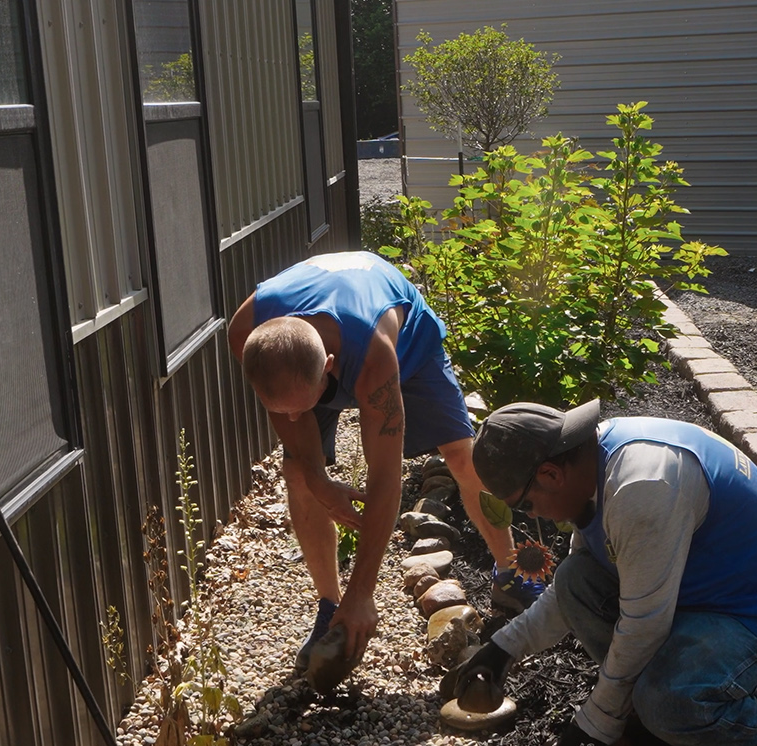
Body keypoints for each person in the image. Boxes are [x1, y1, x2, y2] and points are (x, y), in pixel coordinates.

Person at [447, 399, 757, 746]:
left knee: (668, 704)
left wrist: (592, 728)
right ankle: (646, 707)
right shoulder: (598, 463)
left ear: (550, 474)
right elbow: (578, 588)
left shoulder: (642, 487)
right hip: (699, 597)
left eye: (526, 506)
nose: (537, 518)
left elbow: (644, 624)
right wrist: (504, 648)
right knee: (576, 580)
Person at [227, 251, 539, 671]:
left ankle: (510, 573)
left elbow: (385, 478)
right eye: (282, 410)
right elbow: (294, 420)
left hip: (407, 346)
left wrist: (364, 593)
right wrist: (317, 479)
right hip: (311, 352)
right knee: (297, 475)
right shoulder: (246, 332)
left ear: (330, 370)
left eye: (304, 406)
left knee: (463, 458)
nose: (295, 419)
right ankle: (328, 607)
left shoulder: (374, 358)